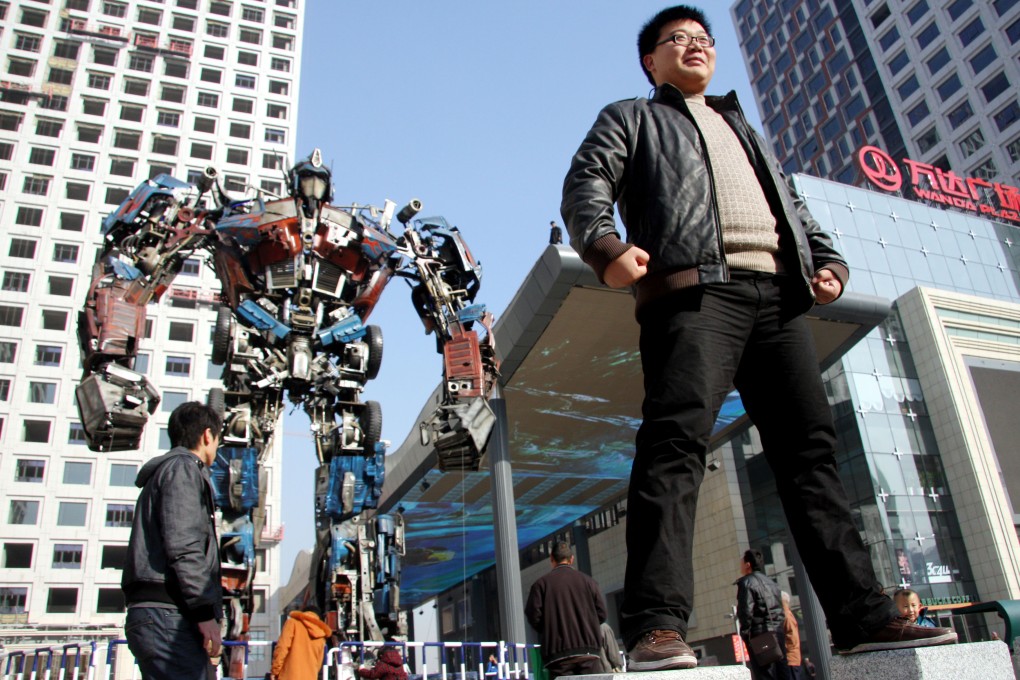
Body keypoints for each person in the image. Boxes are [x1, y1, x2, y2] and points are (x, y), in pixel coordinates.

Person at [560, 4, 959, 670]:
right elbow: (587, 180)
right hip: (694, 294)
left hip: (778, 302)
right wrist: (604, 244)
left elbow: (791, 207)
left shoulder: (741, 123)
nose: (696, 46)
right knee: (674, 446)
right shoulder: (633, 117)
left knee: (811, 457)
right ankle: (657, 626)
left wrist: (826, 260)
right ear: (649, 61)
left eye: (704, 39)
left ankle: (862, 619)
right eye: (677, 40)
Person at [122, 402, 224, 680]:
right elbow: (184, 545)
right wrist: (204, 612)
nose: (217, 447)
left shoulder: (166, 472)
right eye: (218, 439)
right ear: (206, 436)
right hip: (169, 616)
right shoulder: (183, 470)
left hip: (157, 616)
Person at [524, 542, 607, 678]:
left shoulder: (541, 585)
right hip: (588, 652)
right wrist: (588, 627)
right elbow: (602, 614)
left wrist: (550, 630)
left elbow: (533, 616)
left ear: (551, 559)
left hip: (558, 655)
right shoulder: (589, 582)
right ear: (572, 559)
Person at [736, 551, 787, 680]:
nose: (740, 566)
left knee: (764, 674)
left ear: (748, 564)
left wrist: (745, 633)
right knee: (781, 673)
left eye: (741, 563)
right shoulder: (771, 582)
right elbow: (781, 608)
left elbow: (746, 611)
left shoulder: (746, 582)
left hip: (760, 634)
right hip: (778, 632)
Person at [270, 605, 333, 680]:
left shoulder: (292, 623)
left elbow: (282, 648)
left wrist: (275, 671)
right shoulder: (321, 634)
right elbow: (318, 664)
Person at [780, 592, 802, 680]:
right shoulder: (786, 614)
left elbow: (792, 638)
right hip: (791, 658)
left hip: (790, 659)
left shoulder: (786, 616)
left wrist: (783, 649)